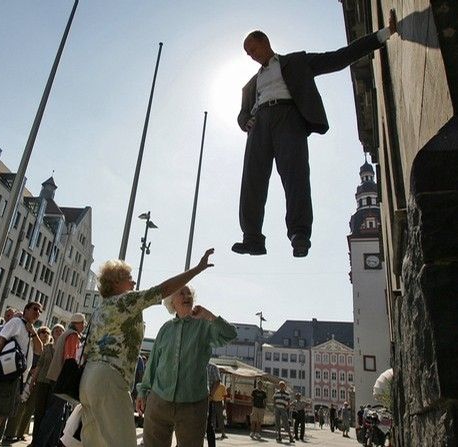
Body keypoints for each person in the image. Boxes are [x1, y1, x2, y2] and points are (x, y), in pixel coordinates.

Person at [231, 10, 398, 257]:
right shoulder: (250, 84)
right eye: (248, 54)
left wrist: (382, 35)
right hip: (260, 126)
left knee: (295, 175)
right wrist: (245, 123)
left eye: (253, 49)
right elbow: (242, 113)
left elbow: (338, 58)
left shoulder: (297, 62)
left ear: (265, 42)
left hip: (288, 118)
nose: (252, 56)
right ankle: (252, 238)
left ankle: (299, 234)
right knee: (252, 180)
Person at [79, 248, 215, 447]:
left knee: (94, 443)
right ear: (116, 282)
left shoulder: (100, 309)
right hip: (109, 379)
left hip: (88, 380)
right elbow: (162, 289)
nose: (133, 282)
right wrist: (196, 269)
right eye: (129, 278)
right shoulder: (125, 300)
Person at [136, 285, 237, 447]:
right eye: (181, 293)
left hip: (193, 404)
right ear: (171, 302)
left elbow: (230, 334)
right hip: (159, 401)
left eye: (188, 293)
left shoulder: (204, 326)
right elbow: (153, 362)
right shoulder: (165, 329)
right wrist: (143, 390)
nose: (186, 296)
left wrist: (209, 316)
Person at [0, 302, 43, 447]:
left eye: (40, 311)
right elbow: (0, 340)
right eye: (35, 309)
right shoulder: (16, 322)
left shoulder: (29, 330)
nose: (37, 312)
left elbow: (39, 350)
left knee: (3, 414)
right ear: (26, 309)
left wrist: (33, 331)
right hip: (6, 376)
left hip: (17, 379)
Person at [32, 313, 86, 447]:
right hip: (62, 379)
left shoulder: (66, 334)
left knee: (56, 414)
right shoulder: (73, 335)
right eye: (83, 323)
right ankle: (41, 444)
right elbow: (70, 358)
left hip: (55, 377)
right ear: (78, 323)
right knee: (53, 414)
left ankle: (51, 443)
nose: (84, 326)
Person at [3, 325, 52, 443]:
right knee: (19, 405)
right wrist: (31, 370)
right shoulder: (31, 346)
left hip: (39, 381)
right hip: (26, 378)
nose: (45, 335)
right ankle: (10, 433)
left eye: (47, 333)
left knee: (30, 408)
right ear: (38, 334)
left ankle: (21, 433)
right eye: (43, 332)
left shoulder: (49, 349)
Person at [31, 323, 64, 445]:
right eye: (56, 330)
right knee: (39, 412)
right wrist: (33, 379)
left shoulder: (64, 349)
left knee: (49, 415)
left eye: (61, 331)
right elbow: (39, 364)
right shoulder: (47, 347)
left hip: (55, 384)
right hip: (42, 381)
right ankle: (35, 441)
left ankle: (45, 442)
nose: (58, 332)